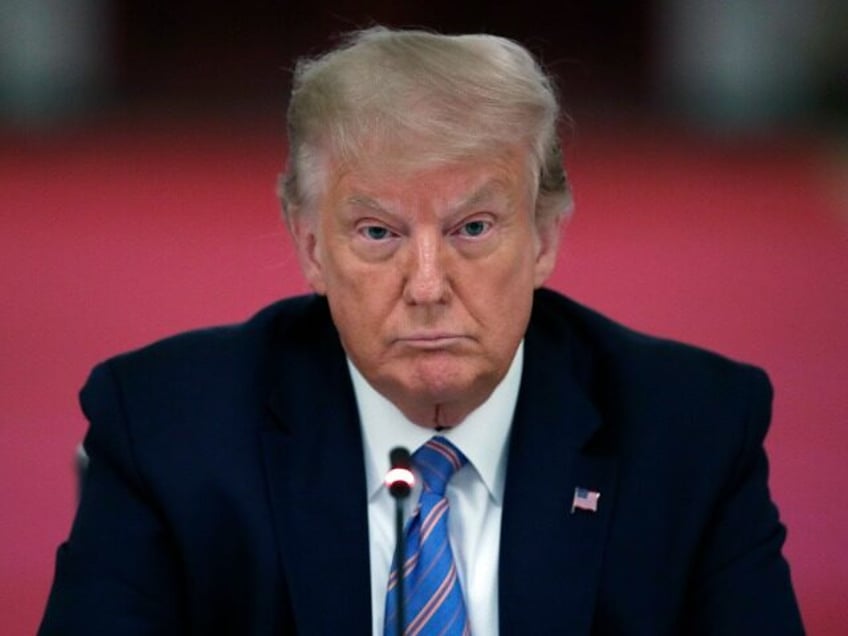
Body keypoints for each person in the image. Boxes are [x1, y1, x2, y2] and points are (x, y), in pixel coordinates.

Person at [40, 27, 803, 635]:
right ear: (310, 245)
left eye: (473, 227)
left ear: (543, 238)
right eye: (378, 233)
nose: (429, 286)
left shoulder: (692, 431)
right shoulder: (165, 431)